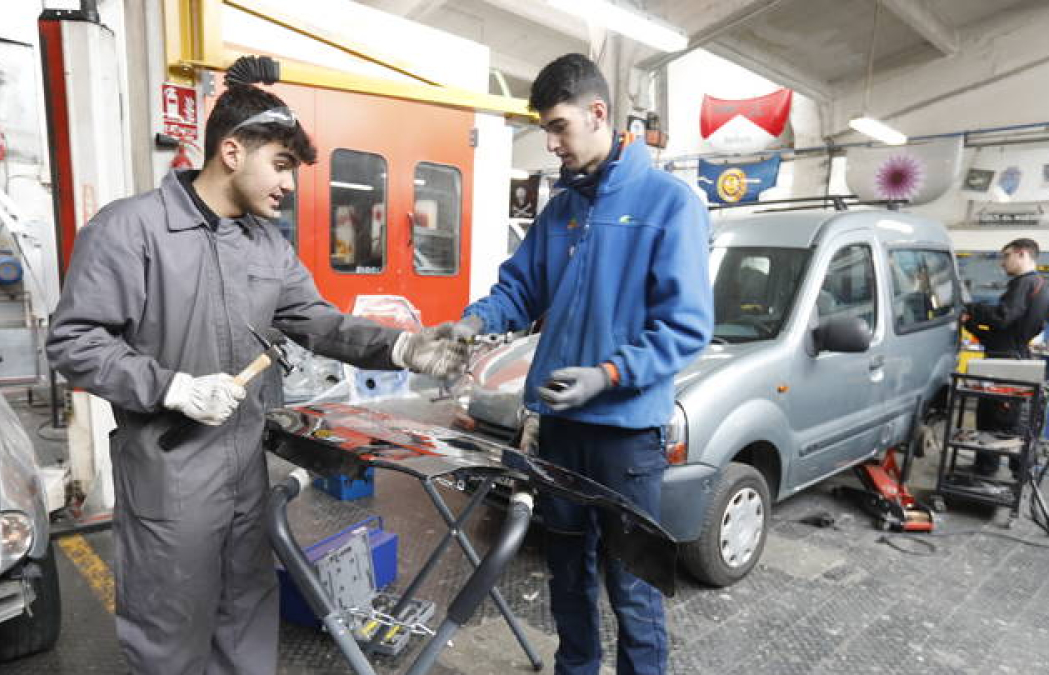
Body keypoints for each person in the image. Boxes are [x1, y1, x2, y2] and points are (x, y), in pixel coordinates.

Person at [45, 70, 467, 675]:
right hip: (170, 477)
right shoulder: (130, 230)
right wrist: (171, 387)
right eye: (282, 164)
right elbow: (74, 340)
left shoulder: (265, 246)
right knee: (172, 638)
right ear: (232, 150)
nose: (290, 185)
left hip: (245, 471)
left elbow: (321, 322)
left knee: (246, 626)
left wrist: (405, 350)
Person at [453, 54, 712, 675]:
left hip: (626, 440)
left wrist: (608, 374)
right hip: (560, 433)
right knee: (567, 573)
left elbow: (686, 327)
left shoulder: (669, 204)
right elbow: (520, 288)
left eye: (559, 126)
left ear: (598, 113)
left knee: (632, 586)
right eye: (546, 128)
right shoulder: (563, 209)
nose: (551, 142)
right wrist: (472, 323)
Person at [962, 237, 1049, 476]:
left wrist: (973, 309)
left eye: (1006, 256)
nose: (1003, 263)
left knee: (999, 418)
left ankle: (1001, 470)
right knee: (996, 417)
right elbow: (1004, 331)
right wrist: (971, 325)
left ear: (1022, 254)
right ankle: (990, 466)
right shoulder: (1038, 284)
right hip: (1011, 354)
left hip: (1006, 362)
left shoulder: (1025, 283)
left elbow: (1003, 316)